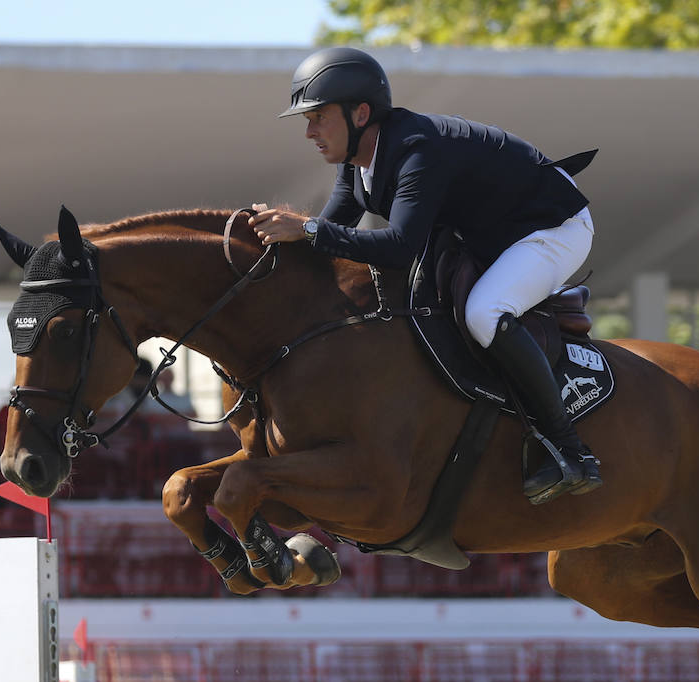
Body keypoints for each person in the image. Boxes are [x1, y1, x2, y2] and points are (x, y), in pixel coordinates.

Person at [250, 47, 602, 505]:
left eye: (318, 117)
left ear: (360, 114)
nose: (310, 131)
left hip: (553, 228)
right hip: (495, 235)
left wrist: (309, 230)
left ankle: (569, 450)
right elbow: (329, 237)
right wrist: (275, 246)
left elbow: (397, 247)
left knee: (484, 312)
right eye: (307, 120)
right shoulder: (357, 164)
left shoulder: (417, 148)